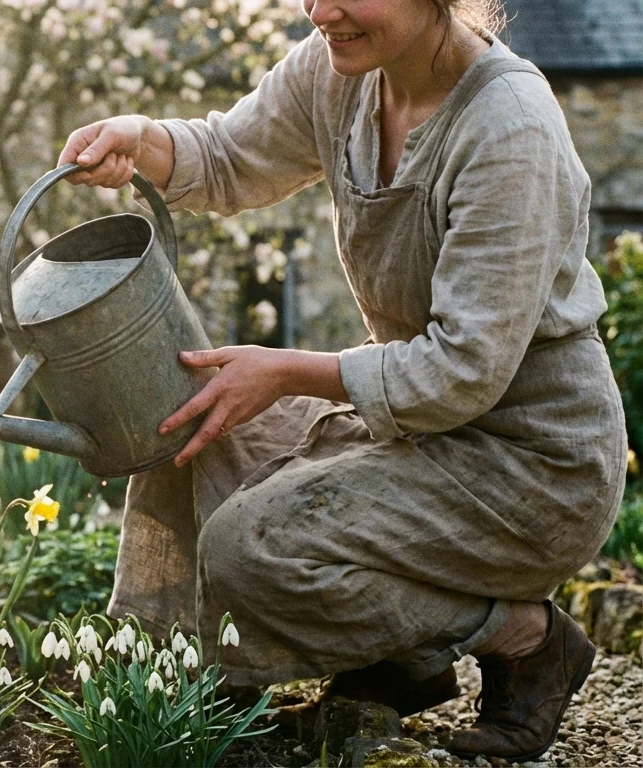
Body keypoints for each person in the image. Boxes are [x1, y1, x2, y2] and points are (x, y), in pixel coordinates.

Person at [58, 0, 626, 761]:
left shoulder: (508, 125)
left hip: (525, 466)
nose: (320, 11)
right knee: (190, 431)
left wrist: (287, 371)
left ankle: (523, 636)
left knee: (249, 546)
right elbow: (229, 155)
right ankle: (199, 685)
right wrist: (143, 138)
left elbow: (464, 369)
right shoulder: (341, 74)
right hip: (412, 428)